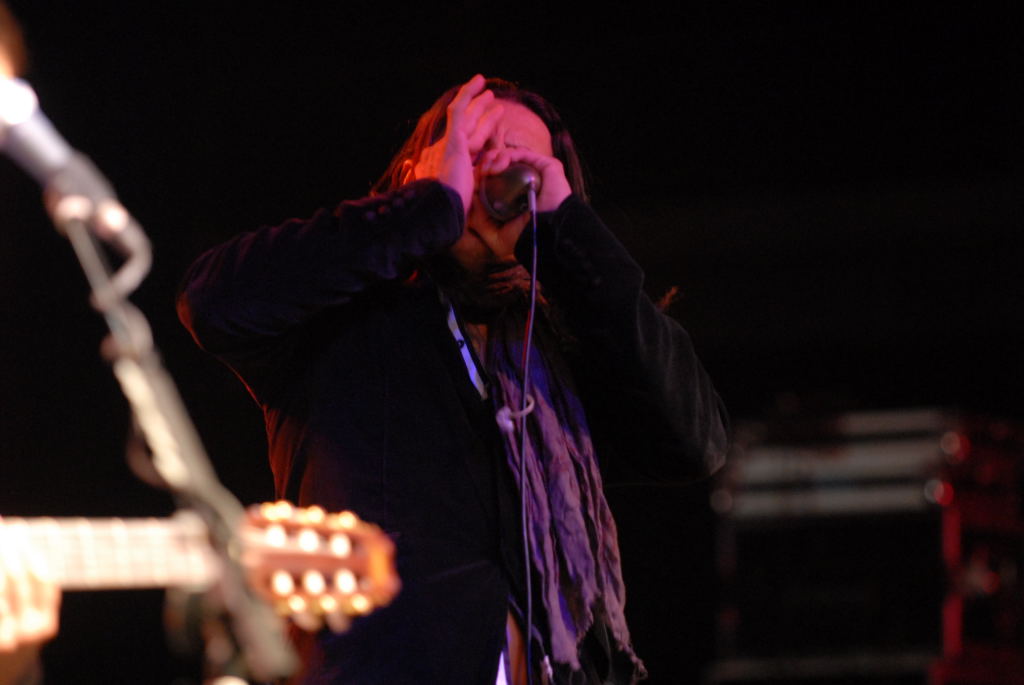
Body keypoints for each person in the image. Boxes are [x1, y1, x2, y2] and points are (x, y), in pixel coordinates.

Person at [177, 74, 729, 684]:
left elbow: (693, 440)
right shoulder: (340, 323)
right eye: (474, 151)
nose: (494, 176)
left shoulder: (563, 356)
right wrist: (424, 210)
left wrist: (569, 229)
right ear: (421, 170)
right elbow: (213, 302)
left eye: (520, 166)